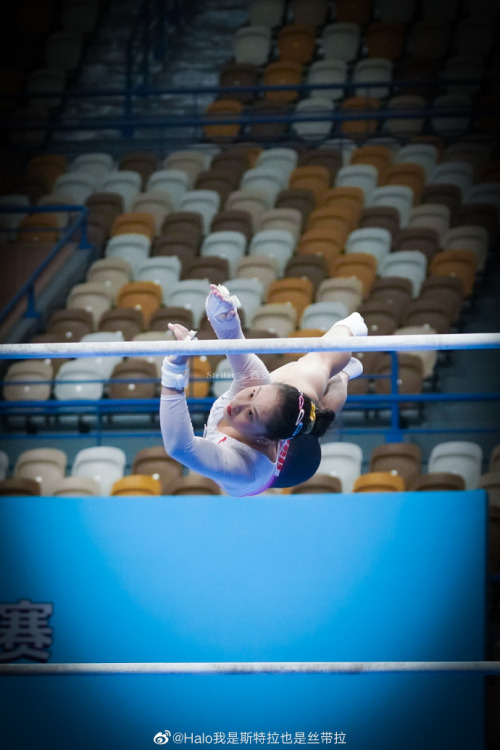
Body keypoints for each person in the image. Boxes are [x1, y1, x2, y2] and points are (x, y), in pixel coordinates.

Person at [160, 284, 367, 496]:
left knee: (316, 381)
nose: (238, 404)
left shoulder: (241, 468)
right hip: (281, 445)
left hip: (297, 464)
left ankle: (341, 377)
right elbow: (232, 339)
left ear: (263, 439)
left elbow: (180, 447)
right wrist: (223, 316)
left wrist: (173, 371)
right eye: (252, 394)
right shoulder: (257, 383)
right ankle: (343, 375)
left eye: (250, 414)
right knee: (311, 378)